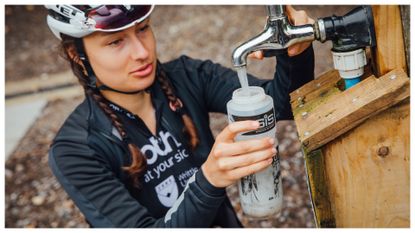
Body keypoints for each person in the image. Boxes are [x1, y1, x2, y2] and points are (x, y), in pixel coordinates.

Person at [46, 5, 315, 227]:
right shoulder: (75, 150)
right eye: (116, 41)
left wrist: (294, 54)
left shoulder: (187, 76)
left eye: (143, 29)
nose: (142, 53)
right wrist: (208, 181)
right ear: (76, 55)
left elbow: (284, 105)